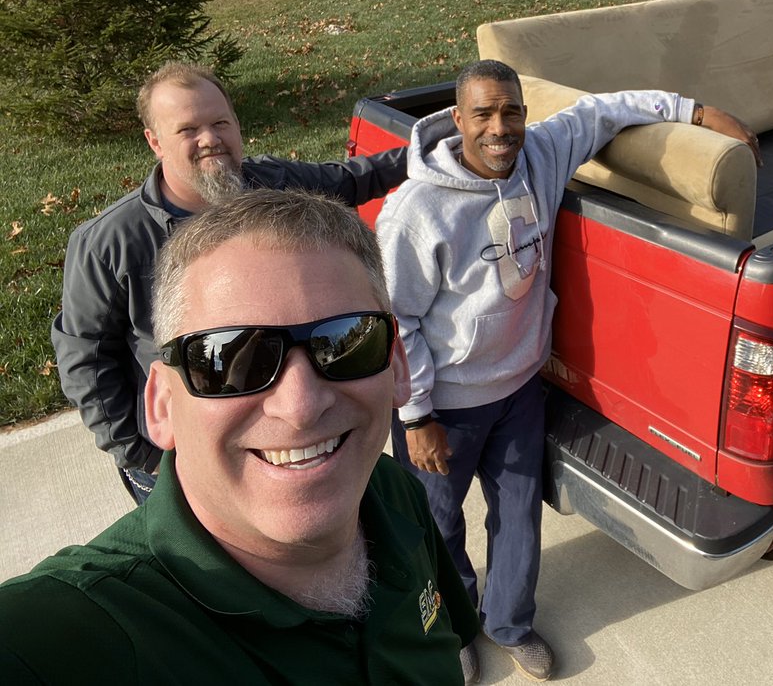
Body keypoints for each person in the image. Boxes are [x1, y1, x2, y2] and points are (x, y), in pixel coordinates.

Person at [376, 59, 759, 683]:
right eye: (483, 114)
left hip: (520, 390)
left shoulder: (541, 157)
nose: (500, 128)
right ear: (456, 120)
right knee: (435, 527)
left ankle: (509, 624)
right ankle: (449, 629)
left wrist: (697, 113)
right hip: (443, 403)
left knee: (519, 518)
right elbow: (397, 321)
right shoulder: (415, 213)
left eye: (512, 112)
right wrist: (416, 415)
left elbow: (604, 109)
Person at [0, 189, 478, 683]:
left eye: (347, 342)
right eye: (228, 359)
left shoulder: (391, 491)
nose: (300, 406)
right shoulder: (82, 633)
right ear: (161, 404)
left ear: (397, 365)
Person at [51, 62, 408, 504]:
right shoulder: (109, 243)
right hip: (179, 460)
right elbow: (85, 359)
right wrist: (141, 455)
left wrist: (430, 147)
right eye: (188, 129)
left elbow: (351, 180)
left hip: (288, 428)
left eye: (220, 122)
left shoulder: (273, 185)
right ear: (154, 142)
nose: (210, 139)